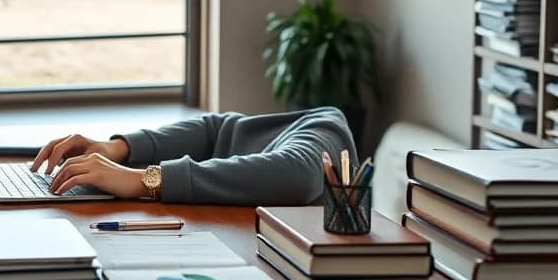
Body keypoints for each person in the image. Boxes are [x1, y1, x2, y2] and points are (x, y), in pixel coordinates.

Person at [30, 107, 356, 205]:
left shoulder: (327, 126)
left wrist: (146, 180)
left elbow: (296, 176)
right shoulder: (293, 126)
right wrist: (117, 148)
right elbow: (216, 129)